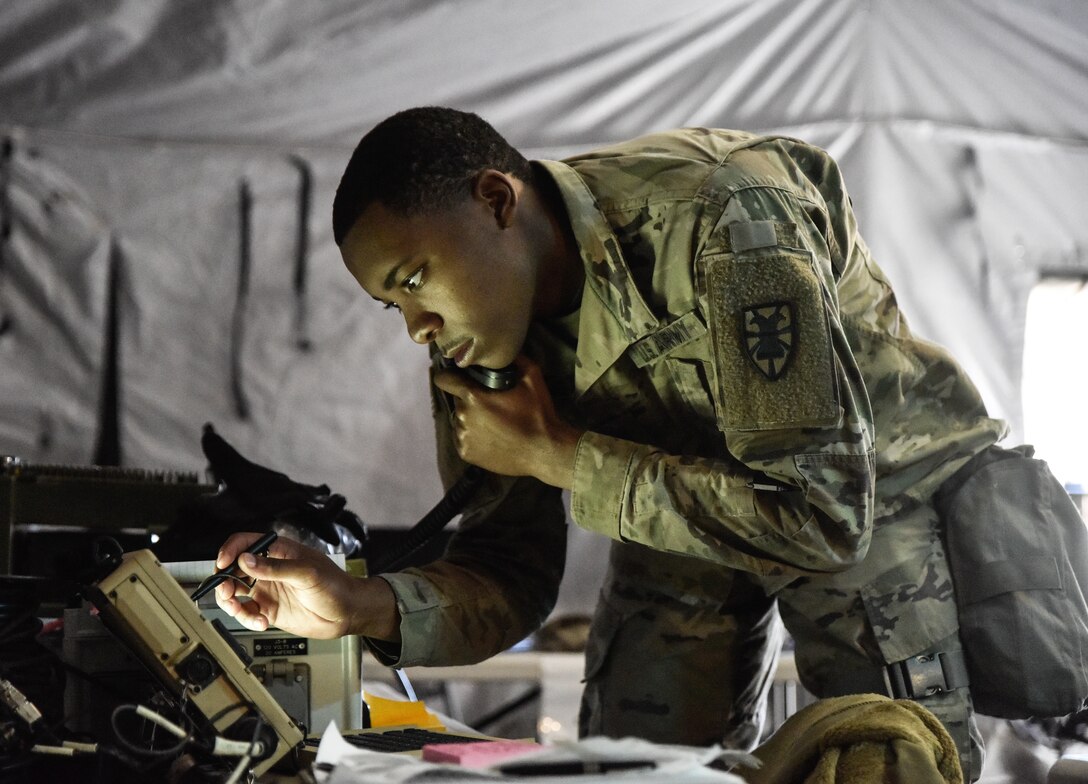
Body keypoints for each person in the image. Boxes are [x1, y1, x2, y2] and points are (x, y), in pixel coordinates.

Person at [214, 107, 1007, 780]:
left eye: (415, 278)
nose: (418, 327)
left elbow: (823, 516)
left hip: (860, 495)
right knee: (634, 761)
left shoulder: (727, 215)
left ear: (496, 200)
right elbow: (509, 576)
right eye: (393, 305)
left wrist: (559, 456)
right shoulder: (478, 344)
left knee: (882, 757)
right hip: (682, 515)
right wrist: (359, 606)